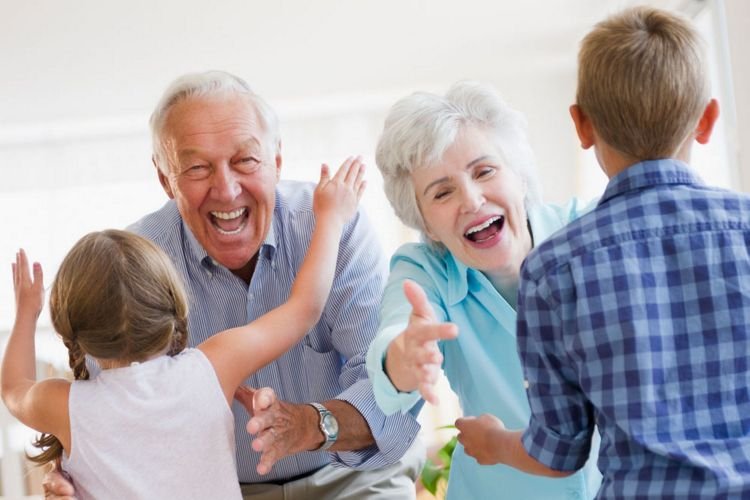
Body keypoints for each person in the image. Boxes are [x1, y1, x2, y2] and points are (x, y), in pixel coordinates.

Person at [43, 70, 422, 499]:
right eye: (197, 167)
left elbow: (387, 387)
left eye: (245, 161)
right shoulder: (134, 262)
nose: (225, 190)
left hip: (349, 476)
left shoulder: (335, 227)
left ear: (276, 161)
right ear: (166, 178)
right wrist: (73, 474)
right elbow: (110, 406)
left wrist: (308, 425)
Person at [458, 7, 750, 499]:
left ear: (582, 125)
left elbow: (558, 453)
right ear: (707, 120)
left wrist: (495, 443)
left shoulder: (552, 269)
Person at [2, 160, 366, 499]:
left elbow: (13, 388)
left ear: (76, 330)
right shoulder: (211, 367)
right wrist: (331, 221)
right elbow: (304, 309)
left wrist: (26, 315)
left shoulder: (64, 404)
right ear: (172, 303)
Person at [365, 81, 601, 500]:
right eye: (442, 192)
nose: (472, 200)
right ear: (426, 224)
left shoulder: (589, 229)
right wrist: (405, 356)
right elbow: (394, 343)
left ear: (521, 178)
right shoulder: (424, 269)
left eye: (484, 171)